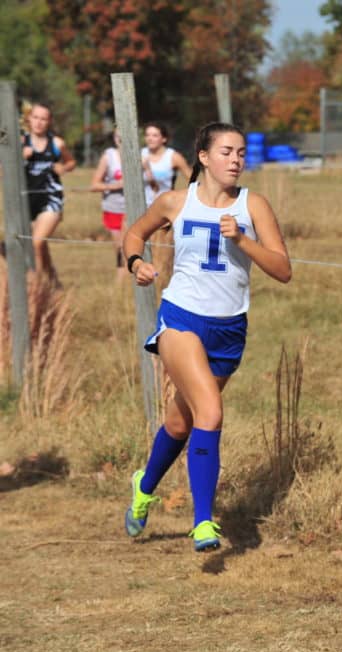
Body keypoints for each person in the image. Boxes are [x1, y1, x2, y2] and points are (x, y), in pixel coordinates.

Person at [121, 122, 292, 552]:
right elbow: (134, 233)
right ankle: (203, 522)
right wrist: (136, 263)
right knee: (210, 413)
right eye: (226, 152)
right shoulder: (175, 201)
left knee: (182, 421)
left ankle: (144, 485)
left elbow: (283, 270)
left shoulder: (254, 205)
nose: (236, 160)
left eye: (241, 153)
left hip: (229, 329)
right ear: (203, 156)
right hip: (181, 317)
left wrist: (243, 240)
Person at [23, 103, 76, 283]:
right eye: (35, 117)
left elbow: (71, 163)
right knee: (41, 247)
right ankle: (54, 284)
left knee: (35, 243)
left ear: (49, 121)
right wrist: (20, 157)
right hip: (27, 201)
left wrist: (63, 167)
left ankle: (35, 289)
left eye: (43, 119)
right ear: (29, 119)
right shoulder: (20, 142)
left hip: (51, 199)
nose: (39, 122)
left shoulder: (57, 143)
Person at [89, 129, 127, 277]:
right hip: (114, 208)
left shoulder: (141, 155)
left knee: (130, 245)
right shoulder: (109, 156)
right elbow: (94, 185)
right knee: (119, 246)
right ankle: (121, 279)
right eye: (117, 136)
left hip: (133, 209)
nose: (120, 139)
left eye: (123, 135)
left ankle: (125, 280)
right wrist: (115, 186)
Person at [141, 122, 191, 206]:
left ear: (164, 139)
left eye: (154, 135)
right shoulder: (140, 154)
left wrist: (181, 197)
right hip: (142, 207)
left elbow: (193, 180)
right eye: (147, 135)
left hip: (165, 207)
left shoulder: (173, 156)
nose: (150, 139)